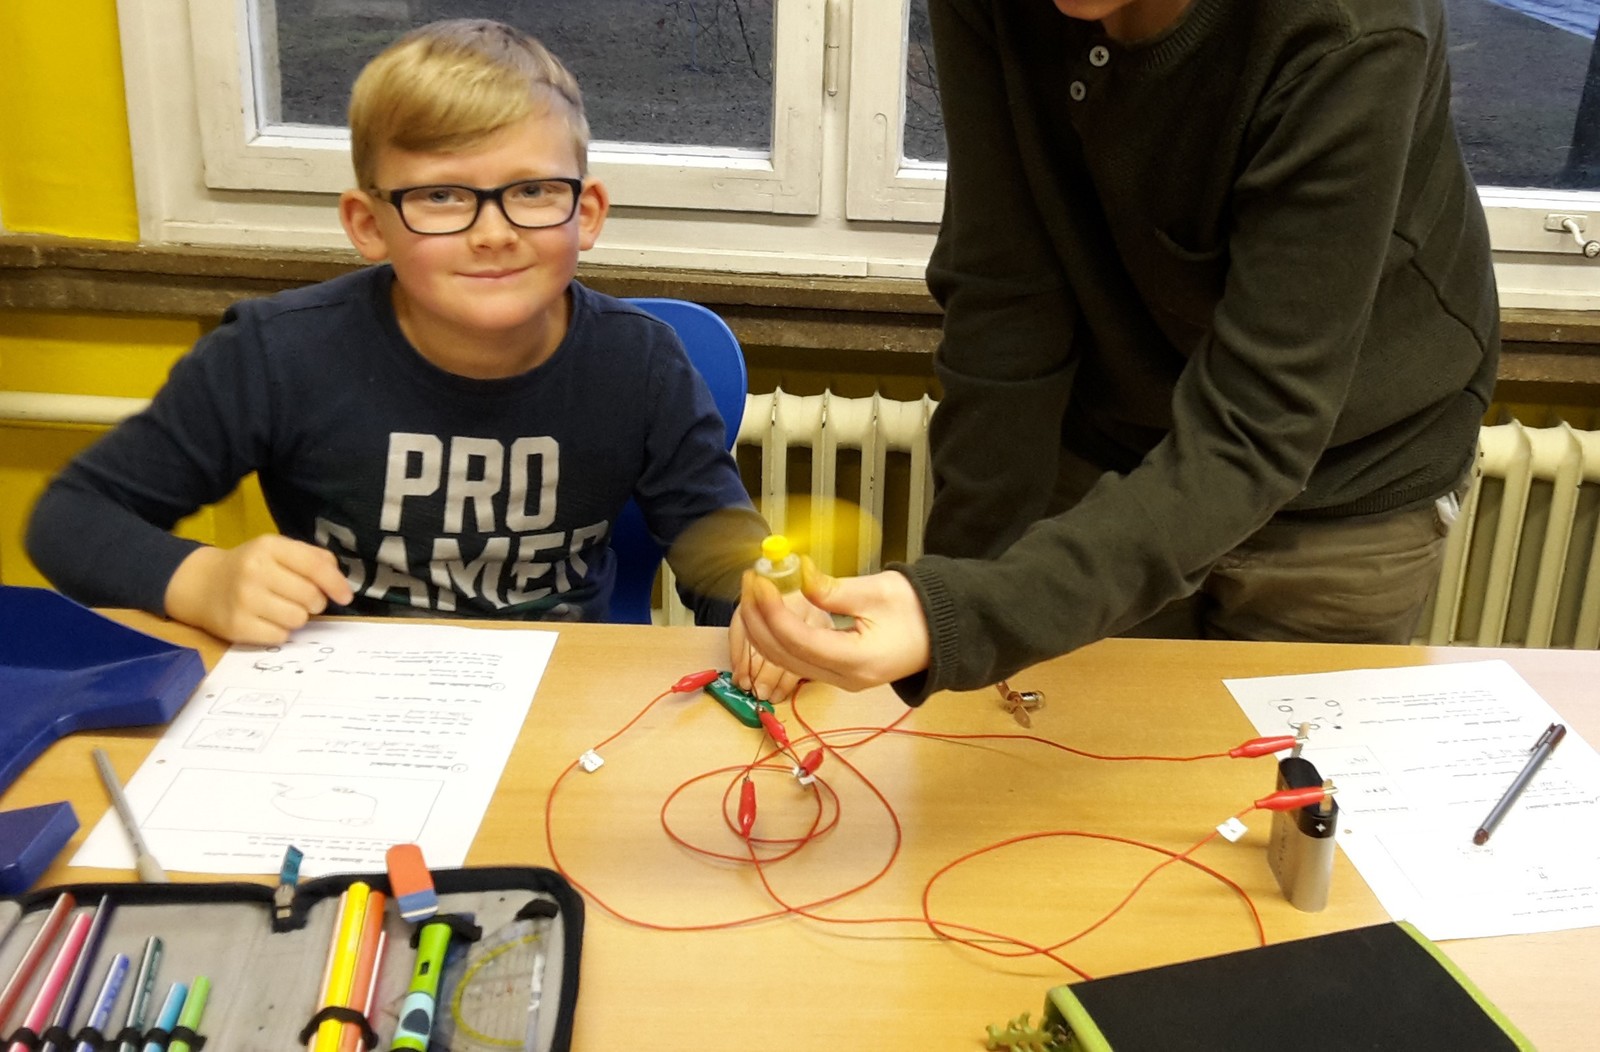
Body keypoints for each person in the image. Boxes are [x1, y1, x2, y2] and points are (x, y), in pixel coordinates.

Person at [734, 0, 1500, 705]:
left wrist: (967, 614)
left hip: (1352, 475)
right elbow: (1006, 292)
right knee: (1061, 767)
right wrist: (955, 594)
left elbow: (1257, 426)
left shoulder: (1351, 27)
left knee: (1270, 790)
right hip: (1112, 456)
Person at [26, 19, 769, 644]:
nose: (493, 233)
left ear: (587, 212)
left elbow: (720, 547)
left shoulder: (641, 362)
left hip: (559, 690)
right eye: (440, 196)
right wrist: (202, 579)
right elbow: (71, 518)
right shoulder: (274, 354)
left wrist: (764, 608)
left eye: (533, 190)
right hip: (339, 695)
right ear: (368, 224)